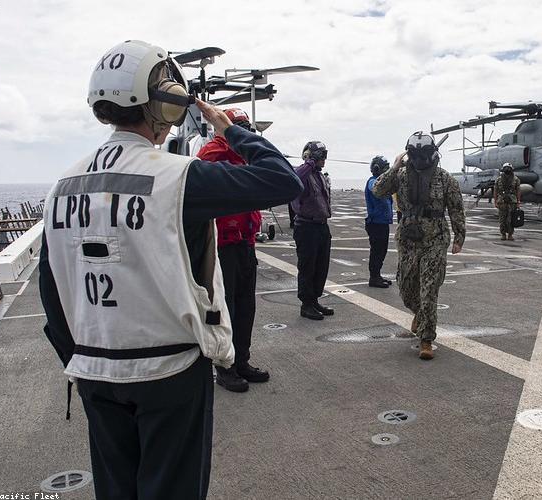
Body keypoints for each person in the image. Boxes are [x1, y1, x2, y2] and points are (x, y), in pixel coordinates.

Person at [38, 40, 303, 499]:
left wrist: (81, 360)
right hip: (168, 371)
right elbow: (282, 179)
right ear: (163, 101)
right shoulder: (178, 177)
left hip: (95, 371)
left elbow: (51, 289)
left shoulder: (62, 187)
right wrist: (232, 128)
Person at [373, 132, 466, 360]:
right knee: (406, 287)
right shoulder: (402, 176)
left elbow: (456, 209)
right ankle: (419, 314)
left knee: (429, 288)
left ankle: (426, 339)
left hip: (435, 239)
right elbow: (378, 190)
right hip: (408, 239)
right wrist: (394, 167)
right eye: (415, 155)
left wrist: (459, 237)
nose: (420, 160)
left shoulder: (445, 179)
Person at [197, 107, 270, 393]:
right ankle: (224, 366)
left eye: (245, 126)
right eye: (238, 125)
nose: (244, 130)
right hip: (223, 246)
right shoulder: (211, 154)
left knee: (245, 305)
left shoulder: (247, 155)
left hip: (245, 242)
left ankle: (242, 359)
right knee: (225, 308)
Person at [292, 141, 334, 320]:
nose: (323, 159)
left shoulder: (319, 176)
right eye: (320, 156)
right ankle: (306, 304)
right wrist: (309, 162)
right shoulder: (303, 172)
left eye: (324, 156)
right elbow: (294, 179)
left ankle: (315, 299)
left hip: (321, 226)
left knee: (321, 266)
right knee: (307, 266)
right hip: (306, 226)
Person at [365, 156, 394, 288]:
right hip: (376, 223)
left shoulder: (383, 183)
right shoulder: (372, 182)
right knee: (377, 251)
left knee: (382, 251)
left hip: (382, 223)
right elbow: (376, 190)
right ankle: (374, 277)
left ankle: (377, 274)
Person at [493, 163, 521, 240]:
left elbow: (518, 191)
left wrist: (518, 202)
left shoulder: (516, 179)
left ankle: (510, 234)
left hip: (512, 201)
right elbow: (495, 191)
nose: (507, 169)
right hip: (502, 201)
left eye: (509, 168)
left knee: (511, 219)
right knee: (502, 219)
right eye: (506, 168)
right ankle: (503, 234)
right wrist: (495, 201)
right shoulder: (498, 179)